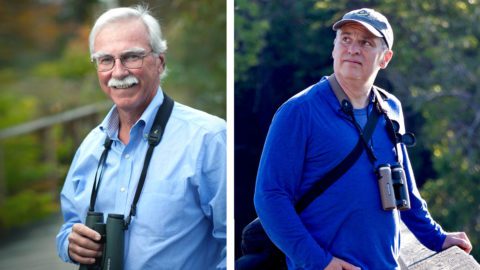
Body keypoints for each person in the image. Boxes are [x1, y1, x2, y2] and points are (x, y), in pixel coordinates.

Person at [254, 8, 472, 269]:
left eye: (366, 42)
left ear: (385, 58)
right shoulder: (299, 111)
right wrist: (319, 261)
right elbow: (270, 196)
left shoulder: (391, 108)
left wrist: (437, 238)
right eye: (346, 39)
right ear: (334, 48)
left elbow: (405, 189)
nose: (353, 49)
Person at [56, 5, 226, 270]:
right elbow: (68, 226)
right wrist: (69, 243)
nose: (119, 71)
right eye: (106, 60)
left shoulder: (208, 138)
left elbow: (232, 239)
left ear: (160, 61)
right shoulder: (90, 146)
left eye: (132, 57)